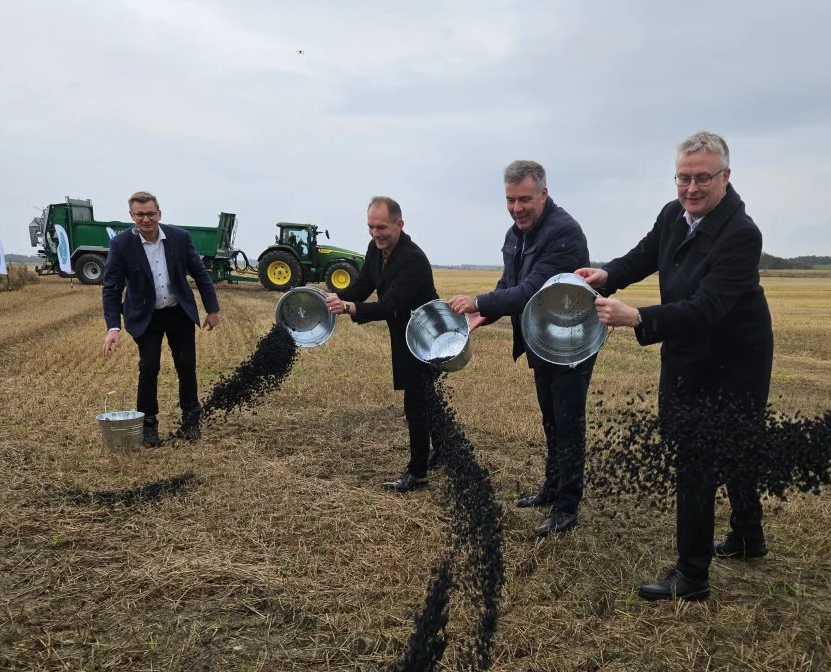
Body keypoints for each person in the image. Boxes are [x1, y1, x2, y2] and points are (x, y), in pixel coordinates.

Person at [576, 131, 774, 601]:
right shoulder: (674, 215)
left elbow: (707, 308)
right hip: (687, 349)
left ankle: (691, 577)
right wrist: (608, 274)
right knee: (730, 448)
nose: (691, 188)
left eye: (702, 178)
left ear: (725, 177)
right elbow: (645, 255)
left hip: (734, 357)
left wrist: (639, 317)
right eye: (683, 178)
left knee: (700, 460)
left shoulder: (741, 234)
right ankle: (749, 537)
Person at [447, 160, 595, 537]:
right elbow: (509, 283)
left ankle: (567, 506)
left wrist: (479, 301)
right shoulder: (516, 234)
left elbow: (532, 290)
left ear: (543, 194)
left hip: (569, 342)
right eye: (510, 200)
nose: (517, 208)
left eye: (524, 199)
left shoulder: (564, 234)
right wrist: (482, 316)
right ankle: (551, 487)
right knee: (550, 418)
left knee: (568, 421)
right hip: (539, 340)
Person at [325, 196, 442, 493]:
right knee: (426, 398)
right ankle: (440, 450)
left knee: (415, 403)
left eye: (382, 227)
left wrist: (350, 309)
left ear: (399, 225)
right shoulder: (375, 250)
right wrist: (340, 298)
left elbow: (389, 305)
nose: (376, 233)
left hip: (425, 337)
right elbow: (363, 286)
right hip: (402, 333)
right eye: (371, 227)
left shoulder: (413, 258)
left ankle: (418, 473)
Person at [101, 191, 222, 446]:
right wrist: (113, 327)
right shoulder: (121, 245)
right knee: (149, 366)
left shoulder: (179, 237)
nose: (146, 219)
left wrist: (212, 310)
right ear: (131, 216)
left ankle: (191, 420)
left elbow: (200, 274)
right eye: (140, 214)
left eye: (150, 214)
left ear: (159, 213)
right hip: (146, 316)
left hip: (178, 312)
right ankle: (148, 425)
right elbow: (111, 287)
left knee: (186, 364)